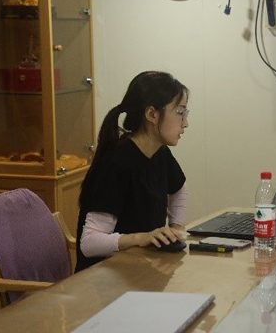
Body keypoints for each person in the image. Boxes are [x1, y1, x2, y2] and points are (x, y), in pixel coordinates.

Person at [75, 71, 190, 272]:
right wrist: (141, 238)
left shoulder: (160, 152)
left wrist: (176, 228)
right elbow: (89, 242)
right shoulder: (117, 162)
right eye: (180, 113)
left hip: (141, 270)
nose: (186, 123)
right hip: (103, 279)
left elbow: (180, 189)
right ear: (152, 114)